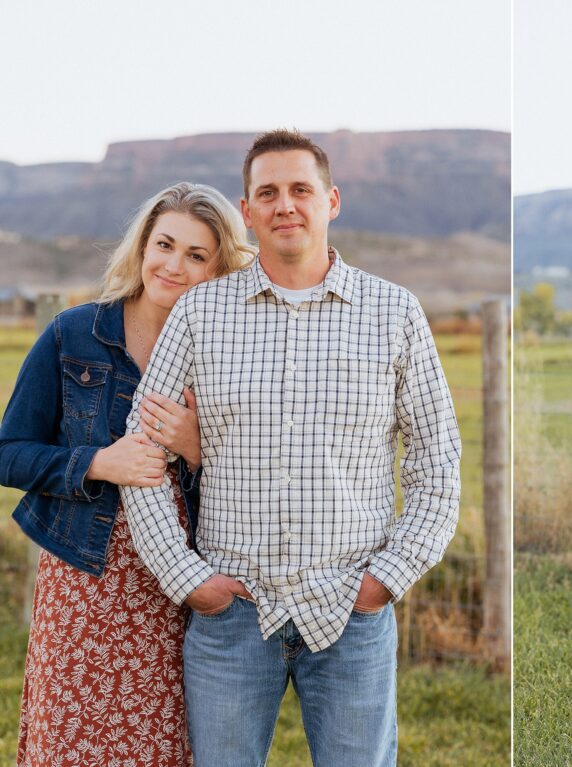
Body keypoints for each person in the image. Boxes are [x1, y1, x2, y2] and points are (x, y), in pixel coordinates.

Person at [120, 129, 461, 767]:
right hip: (231, 617)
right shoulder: (199, 314)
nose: (285, 205)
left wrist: (384, 581)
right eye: (267, 193)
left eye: (300, 189)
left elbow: (437, 464)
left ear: (331, 200)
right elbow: (143, 458)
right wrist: (190, 581)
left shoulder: (394, 314)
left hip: (351, 613)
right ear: (246, 213)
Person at [0, 182, 255, 766]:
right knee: (71, 741)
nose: (174, 265)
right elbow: (9, 450)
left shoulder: (224, 355)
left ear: (220, 268)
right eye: (164, 244)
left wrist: (197, 448)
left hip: (178, 582)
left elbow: (257, 473)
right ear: (141, 246)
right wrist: (96, 462)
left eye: (197, 255)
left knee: (162, 745)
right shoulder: (73, 334)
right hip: (84, 579)